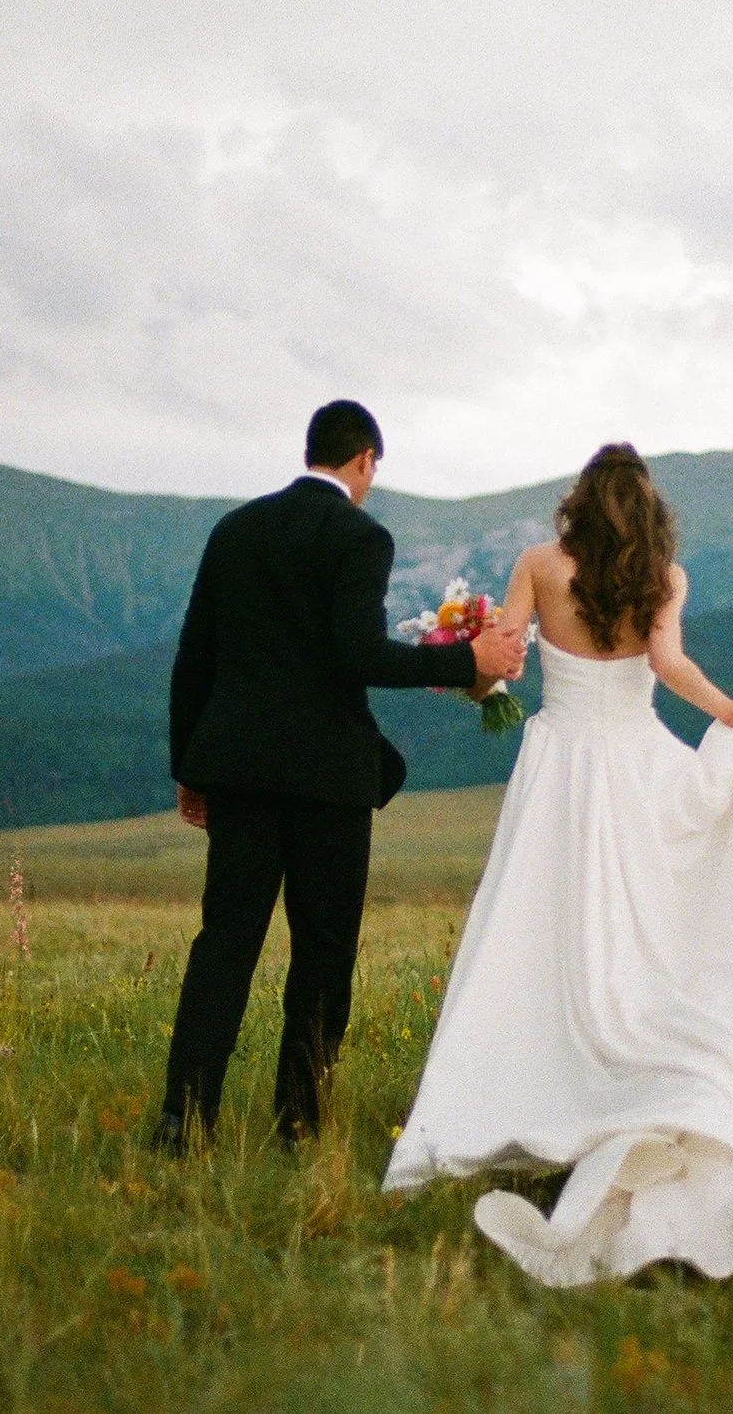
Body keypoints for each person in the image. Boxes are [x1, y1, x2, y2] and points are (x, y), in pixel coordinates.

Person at [384, 443, 733, 1286]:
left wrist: (464, 666)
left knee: (538, 929)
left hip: (560, 766)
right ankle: (636, 1066)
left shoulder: (540, 565)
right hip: (637, 758)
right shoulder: (665, 577)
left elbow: (497, 667)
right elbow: (668, 666)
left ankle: (530, 1088)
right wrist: (730, 712)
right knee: (645, 927)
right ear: (648, 510)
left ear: (578, 500)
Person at [155, 400, 528, 1152]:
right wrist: (468, 662)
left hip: (237, 769)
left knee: (224, 943)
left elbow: (194, 657)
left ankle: (182, 1121)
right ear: (364, 461)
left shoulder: (235, 530)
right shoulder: (359, 535)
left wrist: (189, 768)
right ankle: (297, 1126)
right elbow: (357, 655)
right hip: (327, 778)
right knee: (323, 952)